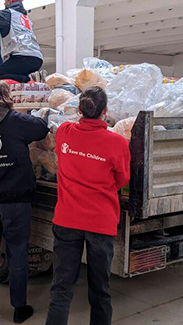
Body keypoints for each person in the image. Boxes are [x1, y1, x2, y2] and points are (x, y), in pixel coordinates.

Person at [45, 87, 130, 325]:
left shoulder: (64, 132)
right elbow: (122, 179)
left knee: (61, 289)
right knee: (100, 290)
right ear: (105, 112)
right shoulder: (117, 142)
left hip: (67, 220)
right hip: (100, 223)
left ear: (79, 110)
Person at [0, 80, 49, 325]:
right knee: (16, 255)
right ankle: (19, 308)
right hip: (14, 200)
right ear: (5, 97)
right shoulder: (14, 120)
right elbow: (41, 129)